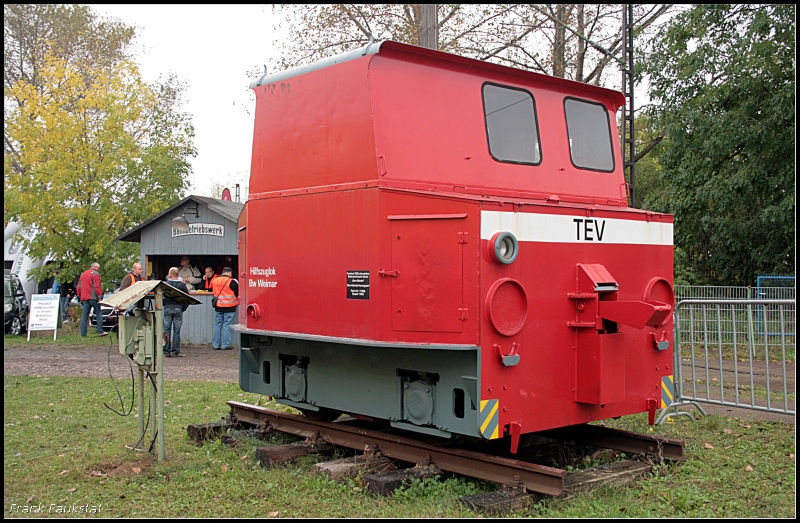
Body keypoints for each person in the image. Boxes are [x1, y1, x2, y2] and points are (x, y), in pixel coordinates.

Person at [163, 267, 189, 358]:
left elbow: (161, 296)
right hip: (178, 308)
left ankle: (166, 351)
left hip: (168, 308)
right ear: (178, 275)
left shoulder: (166, 284)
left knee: (166, 331)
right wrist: (183, 308)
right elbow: (187, 298)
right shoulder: (182, 285)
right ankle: (175, 352)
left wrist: (165, 304)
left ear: (169, 274)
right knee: (176, 331)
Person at [211, 266, 238, 350]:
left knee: (217, 325)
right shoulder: (232, 281)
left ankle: (216, 345)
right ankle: (225, 345)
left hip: (218, 306)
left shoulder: (214, 280)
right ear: (229, 273)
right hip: (229, 307)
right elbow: (238, 292)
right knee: (226, 325)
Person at [76, 262, 107, 337]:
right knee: (99, 313)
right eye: (98, 268)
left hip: (84, 297)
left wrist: (79, 295)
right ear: (96, 267)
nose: (98, 270)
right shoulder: (95, 274)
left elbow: (79, 286)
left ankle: (83, 333)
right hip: (93, 297)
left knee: (85, 315)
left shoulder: (83, 274)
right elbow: (97, 286)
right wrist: (99, 296)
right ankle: (100, 331)